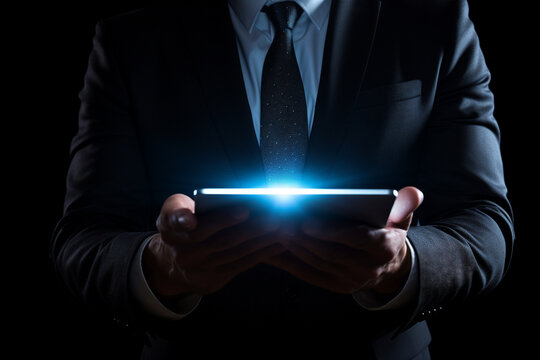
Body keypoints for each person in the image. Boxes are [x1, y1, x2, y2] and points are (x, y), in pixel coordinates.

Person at [51, 0, 514, 359]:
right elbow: (83, 237)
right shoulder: (131, 38)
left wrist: (403, 266)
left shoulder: (433, 21)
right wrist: (162, 268)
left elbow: (485, 224)